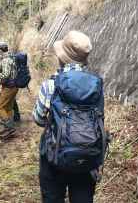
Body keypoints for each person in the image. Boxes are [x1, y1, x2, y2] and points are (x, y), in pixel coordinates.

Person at [32, 31, 105, 203]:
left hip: (54, 155)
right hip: (88, 155)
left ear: (62, 57)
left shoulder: (51, 84)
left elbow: (38, 119)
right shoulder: (96, 85)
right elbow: (99, 119)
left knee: (53, 198)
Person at [0, 41, 18, 140]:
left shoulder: (6, 60)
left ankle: (10, 128)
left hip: (9, 87)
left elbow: (5, 75)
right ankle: (9, 129)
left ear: (0, 50)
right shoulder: (12, 57)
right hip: (14, 87)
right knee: (8, 108)